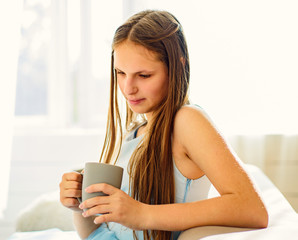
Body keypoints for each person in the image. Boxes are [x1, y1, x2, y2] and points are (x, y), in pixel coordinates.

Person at [59, 10, 268, 240]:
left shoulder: (187, 121)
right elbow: (103, 234)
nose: (128, 88)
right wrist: (80, 206)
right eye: (120, 72)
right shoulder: (136, 131)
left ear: (177, 67)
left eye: (144, 75)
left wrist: (142, 213)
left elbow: (252, 209)